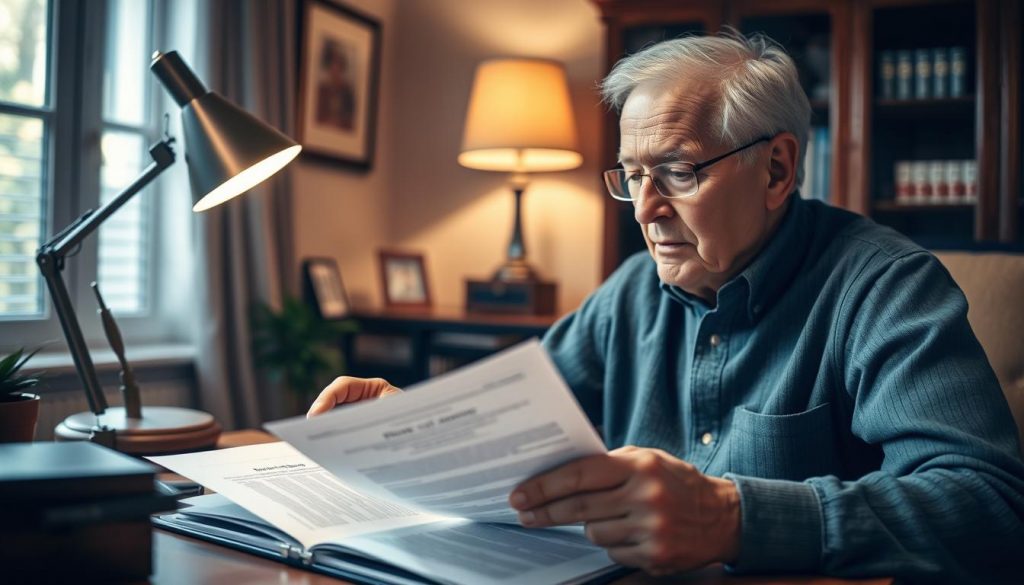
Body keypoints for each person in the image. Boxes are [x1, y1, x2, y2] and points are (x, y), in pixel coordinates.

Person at [307, 31, 1024, 583]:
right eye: (632, 175)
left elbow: (990, 505)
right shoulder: (628, 293)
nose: (646, 209)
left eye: (678, 172)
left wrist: (733, 516)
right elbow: (514, 416)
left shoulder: (886, 287)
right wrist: (412, 425)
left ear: (777, 169)